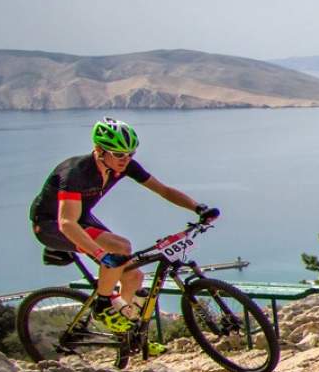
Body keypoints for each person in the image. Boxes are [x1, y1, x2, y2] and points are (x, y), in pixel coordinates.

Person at [29, 117, 215, 333]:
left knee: (134, 276)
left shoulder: (123, 166)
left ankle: (124, 333)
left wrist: (198, 208)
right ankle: (103, 305)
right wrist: (100, 255)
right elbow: (67, 222)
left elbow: (163, 190)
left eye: (130, 154)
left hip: (80, 218)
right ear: (99, 150)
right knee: (120, 247)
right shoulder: (76, 172)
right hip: (51, 224)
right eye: (118, 154)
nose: (125, 160)